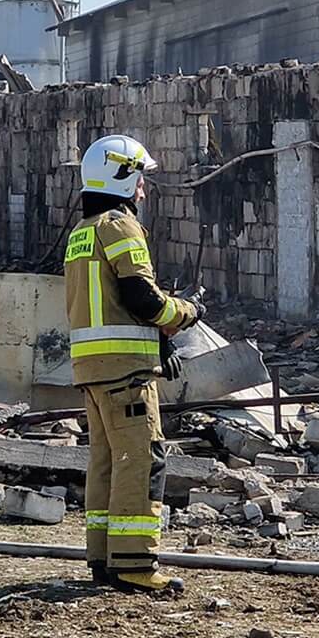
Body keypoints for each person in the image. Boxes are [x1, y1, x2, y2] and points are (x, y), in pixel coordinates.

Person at [64, 134, 200, 595]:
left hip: (94, 369)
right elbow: (142, 298)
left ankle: (103, 558)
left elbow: (111, 304)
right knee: (142, 461)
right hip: (125, 373)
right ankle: (135, 563)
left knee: (106, 461)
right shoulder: (119, 225)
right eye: (139, 179)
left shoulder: (81, 233)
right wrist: (182, 314)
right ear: (122, 177)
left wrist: (157, 342)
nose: (142, 190)